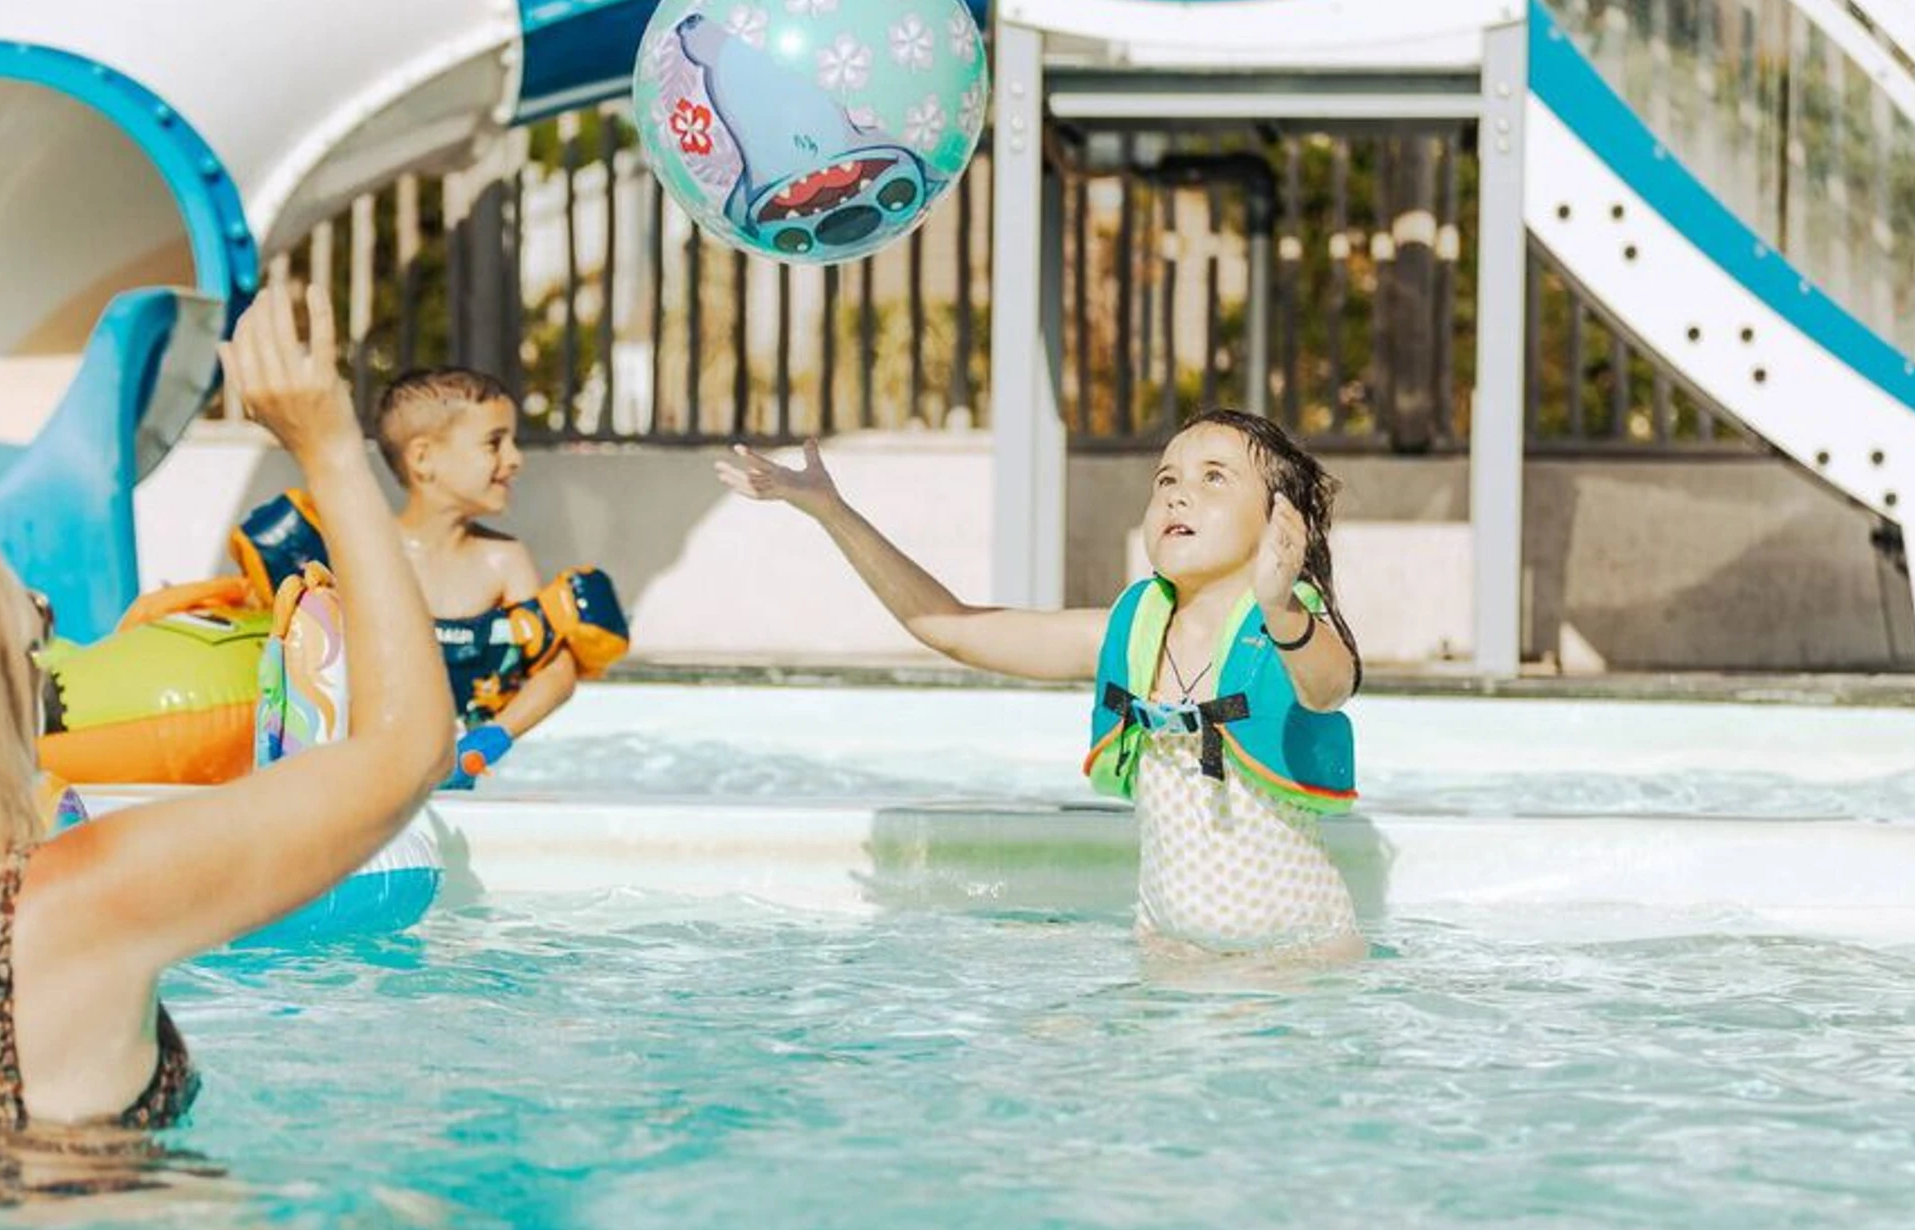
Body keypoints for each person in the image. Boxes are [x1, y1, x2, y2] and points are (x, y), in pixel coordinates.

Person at [0, 293, 453, 1141]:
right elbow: (408, 750)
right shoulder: (80, 898)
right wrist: (330, 449)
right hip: (118, 1228)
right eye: (31, 638)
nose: (45, 637)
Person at [716, 410, 1364, 956]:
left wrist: (1280, 607)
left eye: (1213, 478)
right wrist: (830, 511)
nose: (1177, 494)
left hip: (1293, 962)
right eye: (1166, 479)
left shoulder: (1290, 631)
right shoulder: (1125, 634)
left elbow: (1328, 688)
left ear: (1280, 521)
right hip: (1172, 955)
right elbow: (947, 626)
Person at [371, 368, 588, 788]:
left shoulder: (503, 561)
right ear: (423, 458)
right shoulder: (371, 556)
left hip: (473, 768)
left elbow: (555, 672)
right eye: (494, 443)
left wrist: (489, 741)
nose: (515, 459)